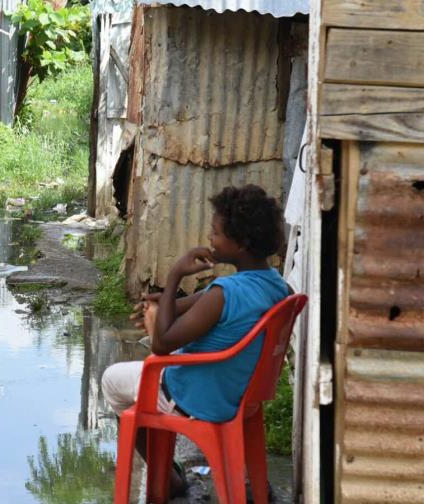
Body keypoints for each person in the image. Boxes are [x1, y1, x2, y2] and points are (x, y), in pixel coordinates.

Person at [101, 184, 289, 499]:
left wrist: (174, 276)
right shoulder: (274, 286)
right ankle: (188, 475)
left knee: (112, 381)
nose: (210, 239)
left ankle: (168, 480)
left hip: (195, 397)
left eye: (215, 233)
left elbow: (161, 344)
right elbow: (196, 303)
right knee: (140, 374)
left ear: (240, 243)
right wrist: (161, 303)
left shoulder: (225, 293)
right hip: (243, 394)